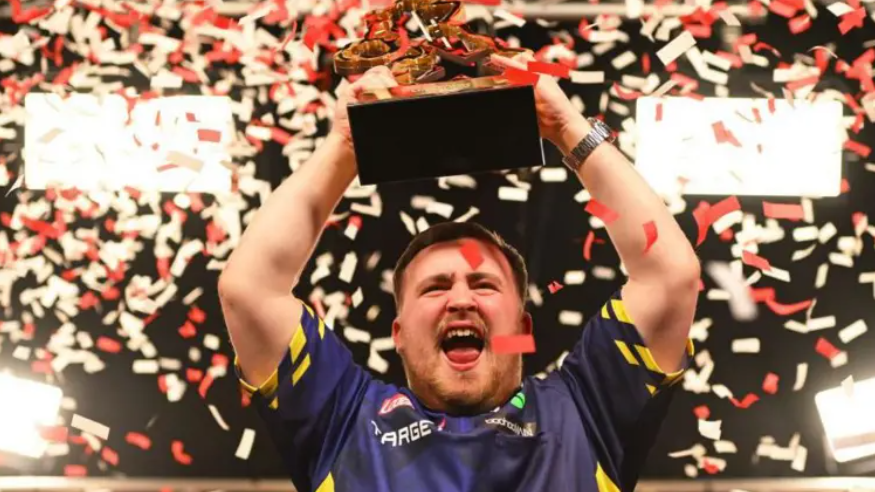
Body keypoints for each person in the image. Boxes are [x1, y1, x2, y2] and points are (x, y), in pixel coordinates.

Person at [218, 53, 700, 492]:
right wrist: (343, 146)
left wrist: (565, 125)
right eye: (435, 287)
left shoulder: (583, 410)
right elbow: (250, 289)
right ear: (400, 333)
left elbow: (669, 277)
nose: (460, 298)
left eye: (484, 283)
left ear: (521, 329)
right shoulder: (344, 417)